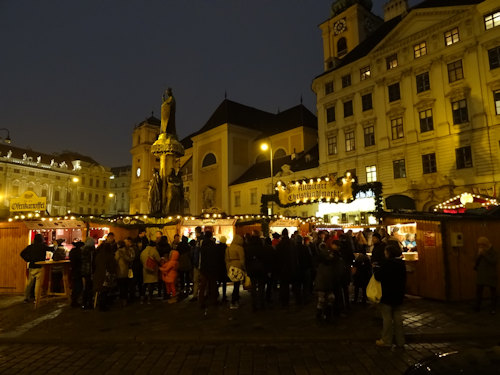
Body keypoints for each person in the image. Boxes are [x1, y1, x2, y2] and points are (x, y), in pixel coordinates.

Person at [374, 244, 406, 348]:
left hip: (387, 293)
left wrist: (375, 269)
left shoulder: (387, 264)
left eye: (386, 252)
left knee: (387, 318)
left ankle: (386, 340)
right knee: (398, 318)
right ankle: (400, 341)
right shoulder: (401, 264)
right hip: (398, 293)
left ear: (388, 253)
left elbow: (378, 276)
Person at [20, 234, 50, 303]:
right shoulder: (43, 246)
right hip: (40, 266)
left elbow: (22, 253)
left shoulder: (30, 247)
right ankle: (36, 299)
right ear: (42, 239)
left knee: (29, 283)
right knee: (38, 284)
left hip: (32, 266)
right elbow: (52, 249)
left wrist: (28, 259)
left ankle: (26, 298)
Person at [474, 237, 498, 314]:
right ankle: (477, 306)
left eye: (481, 244)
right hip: (481, 274)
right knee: (479, 291)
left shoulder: (493, 251)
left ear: (486, 244)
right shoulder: (481, 250)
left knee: (493, 292)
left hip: (490, 274)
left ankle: (493, 308)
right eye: (479, 244)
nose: (480, 246)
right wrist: (478, 255)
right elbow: (476, 261)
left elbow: (493, 261)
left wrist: (484, 254)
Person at [245, 231, 267, 311]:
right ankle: (262, 303)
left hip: (252, 269)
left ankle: (254, 304)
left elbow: (246, 260)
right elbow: (265, 259)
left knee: (253, 287)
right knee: (261, 287)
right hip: (261, 269)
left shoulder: (248, 248)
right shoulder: (262, 247)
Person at [93, 241, 117, 311]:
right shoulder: (109, 256)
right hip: (106, 275)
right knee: (105, 290)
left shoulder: (98, 255)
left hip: (98, 274)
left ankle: (101, 304)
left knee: (101, 290)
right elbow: (112, 266)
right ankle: (103, 305)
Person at [199, 231, 219, 315]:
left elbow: (200, 258)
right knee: (213, 284)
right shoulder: (213, 246)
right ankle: (214, 300)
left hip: (204, 268)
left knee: (203, 285)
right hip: (212, 268)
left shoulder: (202, 246)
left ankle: (201, 301)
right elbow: (216, 258)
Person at [226, 234, 245, 309]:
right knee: (237, 285)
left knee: (235, 284)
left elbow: (226, 259)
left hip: (230, 267)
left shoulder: (228, 248)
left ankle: (235, 300)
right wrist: (244, 268)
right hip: (238, 267)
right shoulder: (239, 248)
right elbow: (242, 259)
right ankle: (234, 300)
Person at [115, 239, 135, 307]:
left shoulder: (118, 252)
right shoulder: (127, 251)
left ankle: (122, 301)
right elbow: (131, 259)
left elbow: (115, 260)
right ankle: (125, 300)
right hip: (126, 272)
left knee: (121, 287)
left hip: (120, 271)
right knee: (126, 287)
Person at [140, 240, 161, 304]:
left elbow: (141, 260)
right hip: (152, 270)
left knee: (145, 284)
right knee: (151, 285)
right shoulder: (154, 251)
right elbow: (158, 259)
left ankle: (142, 298)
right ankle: (149, 298)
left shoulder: (143, 251)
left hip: (145, 270)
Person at [81, 237, 96, 309]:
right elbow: (92, 262)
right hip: (89, 271)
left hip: (84, 271)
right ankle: (89, 302)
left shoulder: (83, 249)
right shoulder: (91, 251)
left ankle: (84, 303)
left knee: (86, 287)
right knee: (89, 287)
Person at [69, 241, 85, 308]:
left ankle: (74, 300)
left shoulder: (72, 251)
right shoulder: (79, 253)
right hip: (78, 271)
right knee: (78, 286)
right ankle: (75, 301)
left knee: (75, 286)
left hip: (73, 271)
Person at [215, 236, 228, 303]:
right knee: (224, 282)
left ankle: (215, 293)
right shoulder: (225, 247)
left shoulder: (217, 247)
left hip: (218, 266)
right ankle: (224, 295)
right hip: (224, 266)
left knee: (218, 281)